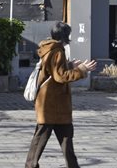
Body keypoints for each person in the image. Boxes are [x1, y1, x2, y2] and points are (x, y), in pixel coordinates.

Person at [25, 22, 97, 168]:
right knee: (44, 137)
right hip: (51, 103)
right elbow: (60, 76)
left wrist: (70, 65)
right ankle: (30, 166)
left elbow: (53, 70)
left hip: (54, 104)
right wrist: (82, 69)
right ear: (65, 35)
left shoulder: (49, 48)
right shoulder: (57, 51)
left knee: (64, 139)